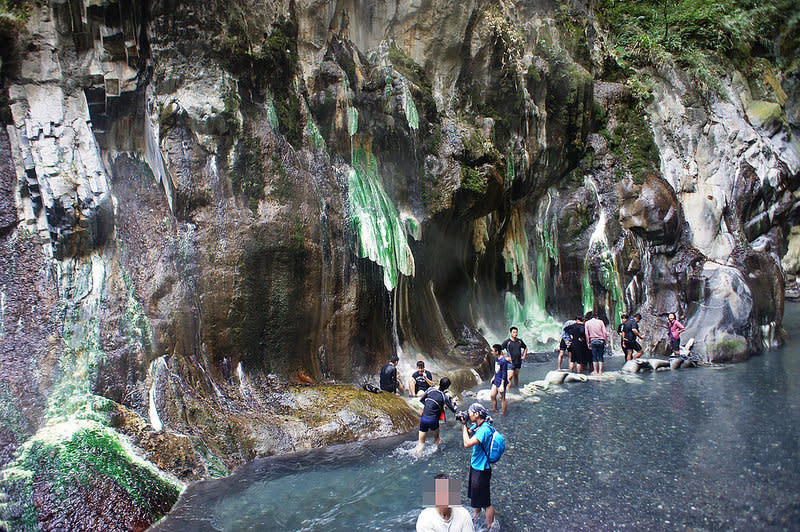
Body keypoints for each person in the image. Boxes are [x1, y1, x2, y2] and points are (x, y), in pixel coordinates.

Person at [461, 403, 497, 531]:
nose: (468, 414)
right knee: (475, 494)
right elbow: (470, 431)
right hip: (476, 466)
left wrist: (463, 426)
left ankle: (489, 527)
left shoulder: (485, 429)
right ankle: (476, 515)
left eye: (470, 412)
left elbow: (467, 443)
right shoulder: (479, 425)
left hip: (482, 469)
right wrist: (465, 422)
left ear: (477, 414)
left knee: (486, 502)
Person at [417, 378, 458, 454]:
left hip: (424, 418)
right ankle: (436, 455)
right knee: (437, 439)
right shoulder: (444, 397)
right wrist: (454, 402)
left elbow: (421, 400)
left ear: (439, 383)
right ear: (447, 388)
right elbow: (453, 410)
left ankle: (417, 456)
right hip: (433, 420)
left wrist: (428, 406)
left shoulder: (430, 390)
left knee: (421, 443)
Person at [489, 345, 508, 414]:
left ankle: (503, 412)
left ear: (497, 352)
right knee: (492, 395)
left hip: (501, 381)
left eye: (493, 351)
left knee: (501, 398)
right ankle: (494, 408)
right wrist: (494, 377)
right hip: (496, 380)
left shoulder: (503, 361)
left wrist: (502, 384)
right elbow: (497, 369)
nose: (492, 352)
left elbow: (504, 373)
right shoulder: (497, 358)